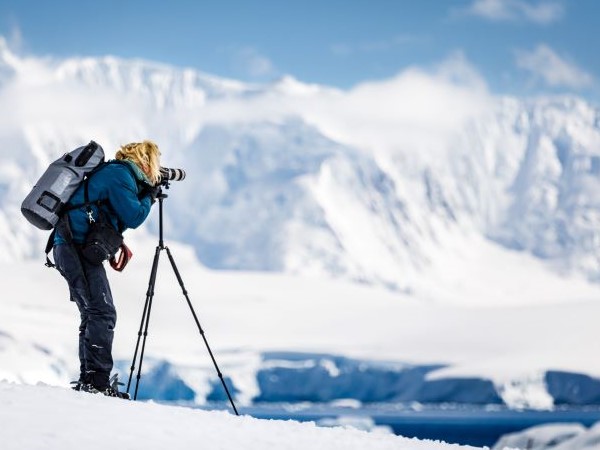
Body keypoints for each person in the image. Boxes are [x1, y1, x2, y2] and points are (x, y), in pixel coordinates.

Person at [53, 140, 161, 397]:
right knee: (102, 312)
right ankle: (96, 384)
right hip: (73, 247)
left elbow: (100, 213)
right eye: (155, 166)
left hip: (72, 248)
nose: (156, 172)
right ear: (145, 161)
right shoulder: (120, 175)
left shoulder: (117, 173)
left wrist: (117, 241)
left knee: (93, 312)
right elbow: (134, 216)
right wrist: (150, 196)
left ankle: (90, 380)